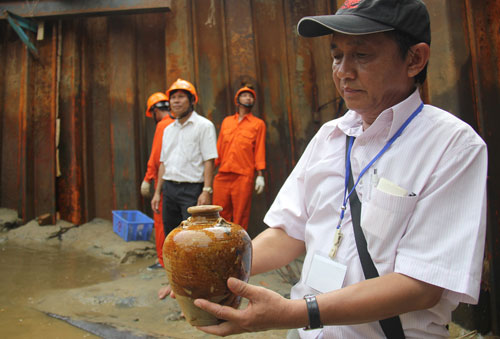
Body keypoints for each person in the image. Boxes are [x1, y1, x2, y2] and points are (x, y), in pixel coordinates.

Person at [190, 0, 488, 338]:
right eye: (336, 55)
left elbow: (422, 284)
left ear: (415, 59)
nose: (343, 71)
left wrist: (294, 313)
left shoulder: (452, 146)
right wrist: (217, 270)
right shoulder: (330, 136)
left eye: (361, 55)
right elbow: (289, 232)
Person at [151, 79, 218, 237]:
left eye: (181, 97)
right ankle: (172, 263)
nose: (176, 101)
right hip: (169, 190)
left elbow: (209, 160)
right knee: (171, 236)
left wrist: (206, 191)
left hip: (192, 191)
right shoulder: (168, 130)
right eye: (173, 98)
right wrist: (157, 192)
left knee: (193, 237)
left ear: (192, 100)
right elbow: (163, 163)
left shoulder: (204, 126)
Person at [212, 85, 266, 230]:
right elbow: (219, 149)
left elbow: (259, 150)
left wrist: (260, 175)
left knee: (240, 216)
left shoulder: (258, 124)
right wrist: (207, 176)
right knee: (219, 215)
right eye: (244, 95)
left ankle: (238, 250)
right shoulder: (227, 122)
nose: (248, 98)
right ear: (237, 100)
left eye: (251, 96)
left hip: (243, 176)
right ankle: (220, 249)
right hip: (223, 175)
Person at [141, 92, 175, 270]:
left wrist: (147, 179)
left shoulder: (163, 125)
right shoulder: (177, 123)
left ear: (154, 110)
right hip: (178, 181)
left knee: (161, 222)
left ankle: (163, 260)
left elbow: (156, 158)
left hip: (163, 181)